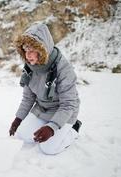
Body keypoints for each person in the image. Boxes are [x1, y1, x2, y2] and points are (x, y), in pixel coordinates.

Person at [9, 23, 82, 155]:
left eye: (32, 50)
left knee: (48, 148)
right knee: (24, 136)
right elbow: (28, 98)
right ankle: (47, 124)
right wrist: (18, 119)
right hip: (42, 109)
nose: (27, 55)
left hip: (64, 111)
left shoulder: (63, 69)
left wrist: (51, 127)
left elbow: (68, 104)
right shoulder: (29, 67)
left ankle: (74, 129)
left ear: (43, 49)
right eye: (25, 50)